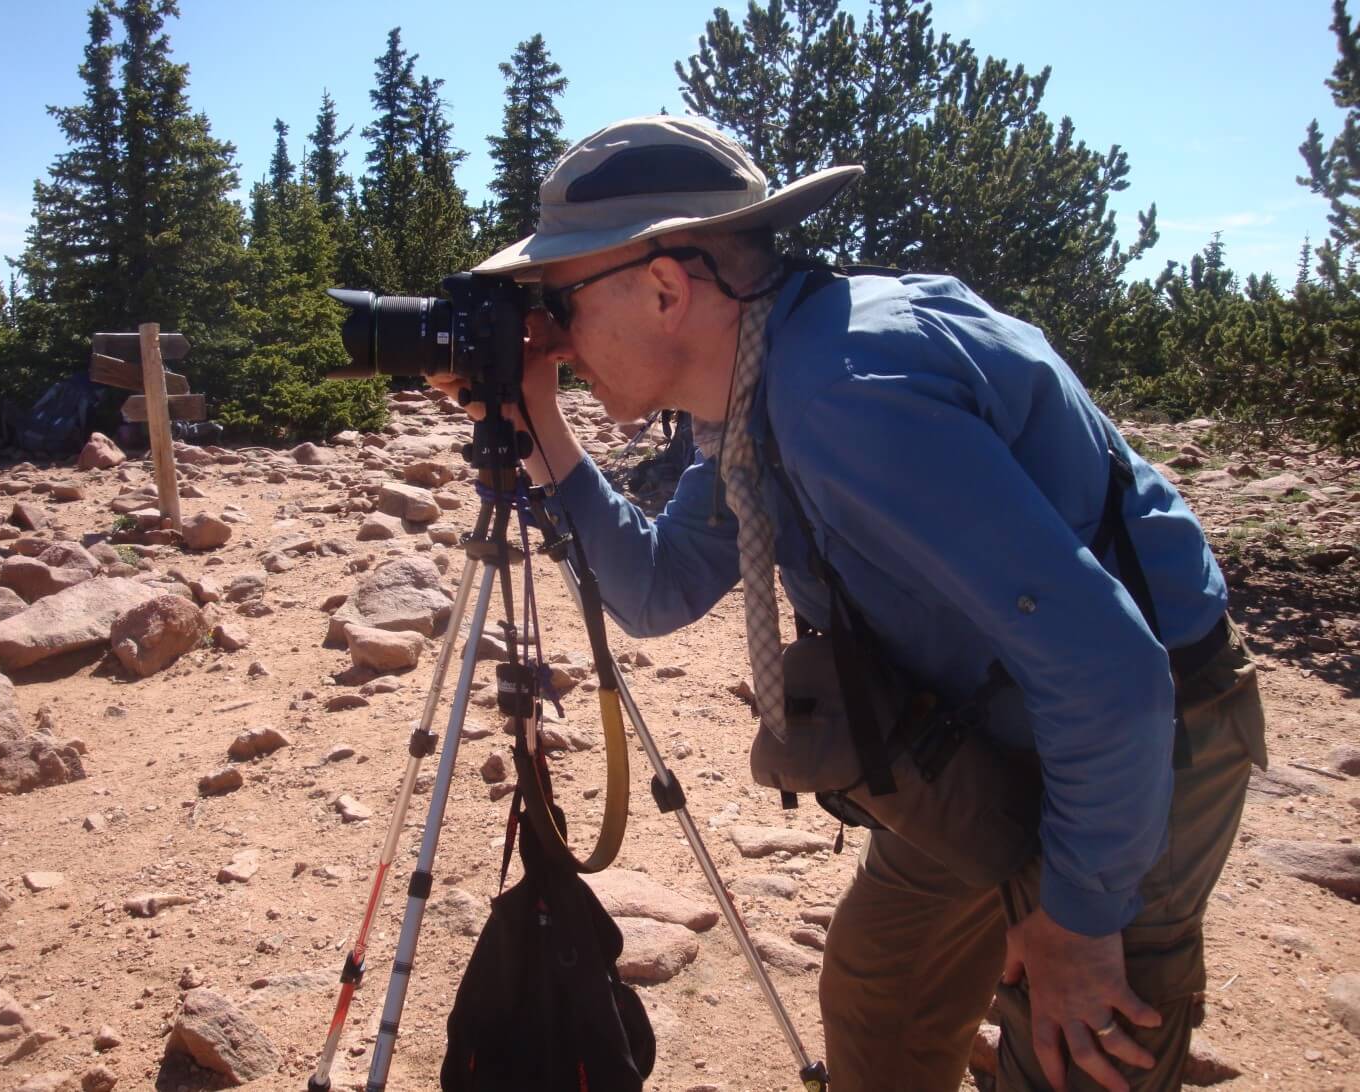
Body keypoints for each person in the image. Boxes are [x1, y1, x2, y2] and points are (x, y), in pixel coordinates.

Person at [437, 115, 1267, 1092]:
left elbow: (1113, 675)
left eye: (561, 303)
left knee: (1081, 1045)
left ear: (665, 288)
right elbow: (657, 590)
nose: (557, 338)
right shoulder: (752, 388)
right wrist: (535, 413)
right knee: (885, 988)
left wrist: (1082, 927)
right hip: (976, 722)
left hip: (1136, 735)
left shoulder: (845, 392)